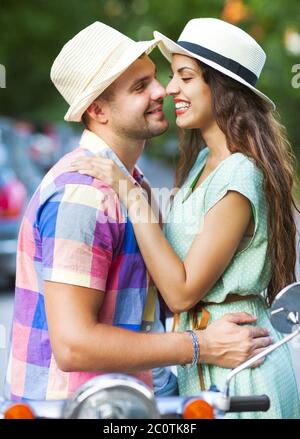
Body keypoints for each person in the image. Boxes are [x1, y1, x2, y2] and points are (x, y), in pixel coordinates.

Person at [5, 21, 271, 403]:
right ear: (98, 110)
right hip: (75, 406)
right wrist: (201, 345)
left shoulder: (131, 186)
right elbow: (74, 346)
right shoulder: (85, 195)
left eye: (155, 78)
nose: (162, 90)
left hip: (123, 400)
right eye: (140, 87)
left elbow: (155, 299)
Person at [70, 19, 300, 418]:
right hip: (207, 360)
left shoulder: (239, 173)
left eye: (185, 76)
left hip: (242, 367)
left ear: (222, 89)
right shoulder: (201, 166)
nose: (170, 88)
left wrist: (129, 193)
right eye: (173, 75)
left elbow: (181, 291)